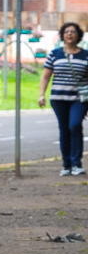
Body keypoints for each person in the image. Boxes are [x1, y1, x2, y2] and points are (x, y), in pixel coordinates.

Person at [38, 22, 88, 175]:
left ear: (78, 35)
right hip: (58, 98)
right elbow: (46, 76)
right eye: (67, 32)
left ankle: (76, 164)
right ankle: (66, 165)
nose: (70, 34)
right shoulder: (55, 54)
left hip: (78, 99)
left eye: (73, 32)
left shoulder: (86, 55)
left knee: (74, 126)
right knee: (64, 130)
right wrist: (42, 95)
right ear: (63, 35)